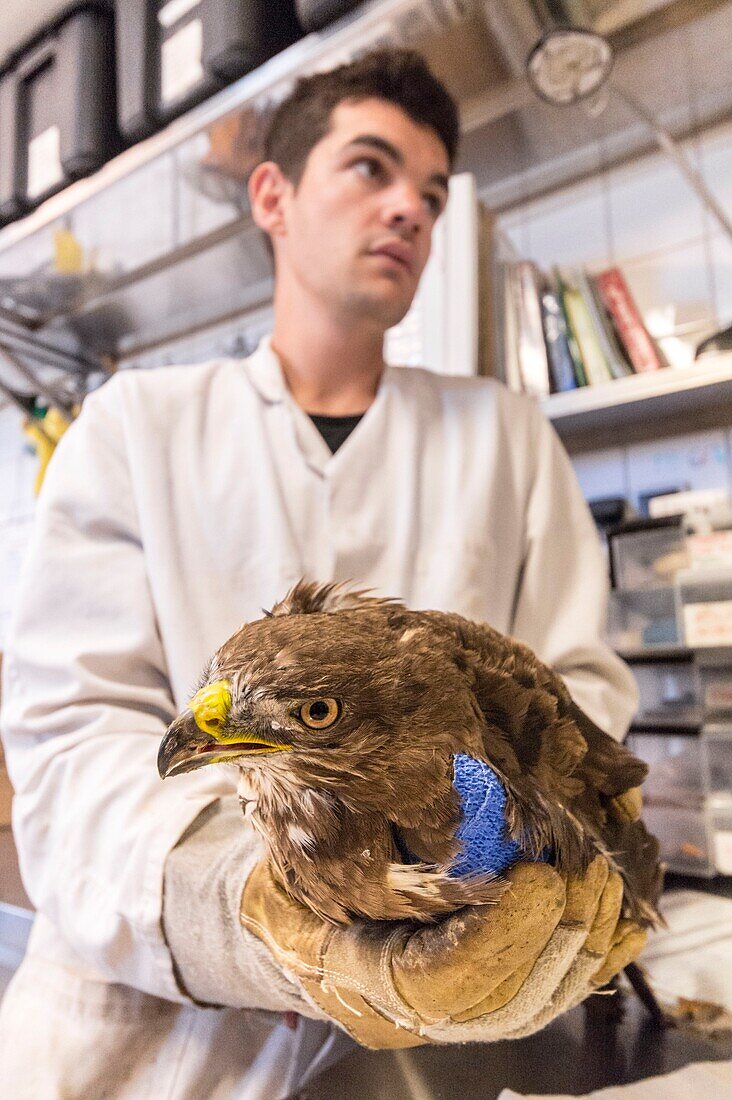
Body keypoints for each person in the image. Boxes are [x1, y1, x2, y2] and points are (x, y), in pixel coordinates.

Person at [0, 49, 643, 1098]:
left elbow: (580, 700)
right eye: (371, 168)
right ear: (274, 195)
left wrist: (486, 863)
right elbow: (73, 742)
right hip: (150, 1044)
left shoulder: (506, 436)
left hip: (442, 1030)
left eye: (432, 194)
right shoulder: (134, 426)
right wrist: (255, 907)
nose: (409, 210)